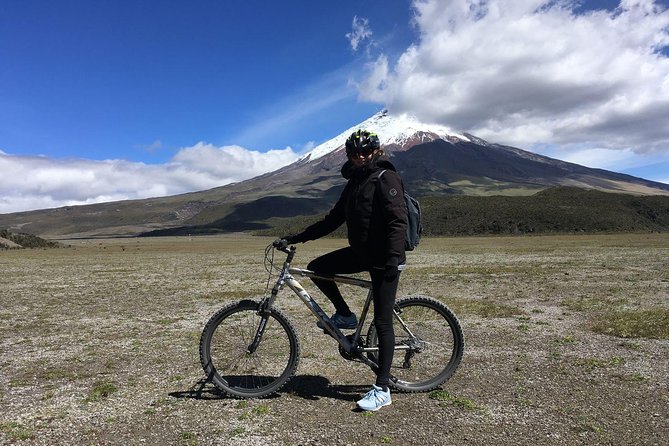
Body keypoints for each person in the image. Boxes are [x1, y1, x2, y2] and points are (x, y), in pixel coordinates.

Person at [281, 129, 407, 411]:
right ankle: (346, 315)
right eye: (354, 153)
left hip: (385, 258)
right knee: (318, 268)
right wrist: (296, 237)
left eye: (364, 152)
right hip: (362, 254)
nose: (359, 157)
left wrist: (392, 261)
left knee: (383, 322)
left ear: (375, 151)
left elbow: (398, 222)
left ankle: (382, 389)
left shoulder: (386, 177)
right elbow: (332, 220)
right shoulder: (354, 183)